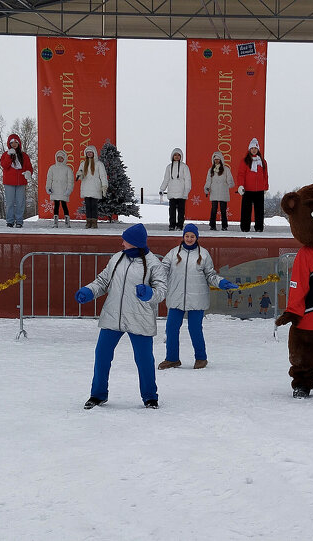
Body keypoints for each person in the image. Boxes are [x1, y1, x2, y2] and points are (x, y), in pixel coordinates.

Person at [74, 224, 168, 409]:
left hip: (139, 318)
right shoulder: (117, 258)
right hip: (113, 316)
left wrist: (149, 293)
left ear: (134, 243)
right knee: (102, 355)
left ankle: (150, 397)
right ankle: (98, 394)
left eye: (125, 239)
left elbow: (162, 291)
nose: (122, 242)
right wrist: (89, 291)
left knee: (144, 359)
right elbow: (103, 281)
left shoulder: (153, 264)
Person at [158, 224, 238, 370]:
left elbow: (210, 275)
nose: (189, 239)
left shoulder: (204, 255)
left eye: (192, 236)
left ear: (196, 238)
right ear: (183, 237)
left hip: (197, 300)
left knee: (195, 329)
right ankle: (172, 358)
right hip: (176, 298)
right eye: (187, 236)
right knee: (171, 328)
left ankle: (201, 358)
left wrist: (221, 282)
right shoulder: (173, 253)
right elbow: (161, 271)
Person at [0, 134, 33, 228]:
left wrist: (28, 173)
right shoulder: (5, 155)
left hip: (21, 182)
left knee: (20, 202)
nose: (14, 144)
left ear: (19, 143)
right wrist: (9, 156)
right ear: (9, 144)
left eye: (16, 142)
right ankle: (10, 221)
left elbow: (29, 167)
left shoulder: (24, 156)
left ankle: (19, 221)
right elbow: (5, 165)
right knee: (10, 202)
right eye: (12, 142)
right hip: (9, 182)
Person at [237, 138, 268, 233]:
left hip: (259, 190)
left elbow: (265, 175)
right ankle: (245, 227)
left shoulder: (262, 161)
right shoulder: (245, 161)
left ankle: (259, 227)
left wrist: (265, 187)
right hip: (248, 190)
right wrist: (240, 185)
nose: (254, 150)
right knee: (246, 210)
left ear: (258, 149)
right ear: (249, 149)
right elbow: (241, 174)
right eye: (252, 148)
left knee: (259, 211)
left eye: (255, 148)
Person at [77, 145, 108, 229]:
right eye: (88, 152)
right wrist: (79, 175)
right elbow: (79, 176)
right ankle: (88, 222)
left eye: (91, 152)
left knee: (94, 206)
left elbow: (103, 176)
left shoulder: (99, 164)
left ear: (94, 153)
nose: (89, 154)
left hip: (95, 187)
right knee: (88, 206)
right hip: (86, 187)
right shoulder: (83, 164)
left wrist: (104, 185)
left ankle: (94, 222)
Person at [160, 148, 191, 231]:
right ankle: (172, 225)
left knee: (181, 211)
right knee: (172, 211)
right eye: (175, 155)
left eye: (178, 155)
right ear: (172, 156)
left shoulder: (184, 166)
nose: (177, 157)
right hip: (172, 192)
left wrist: (186, 191)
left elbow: (187, 180)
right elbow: (166, 179)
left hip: (182, 192)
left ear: (181, 156)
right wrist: (162, 189)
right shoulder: (169, 167)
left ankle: (180, 225)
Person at [203, 151, 234, 231]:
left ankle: (224, 226)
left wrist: (230, 184)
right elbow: (208, 180)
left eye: (218, 159)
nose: (217, 161)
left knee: (223, 210)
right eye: (215, 159)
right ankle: (212, 225)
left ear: (221, 160)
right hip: (214, 192)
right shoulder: (211, 170)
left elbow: (230, 179)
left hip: (223, 192)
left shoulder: (226, 169)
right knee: (213, 210)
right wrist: (206, 188)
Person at [44, 149, 75, 228]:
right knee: (56, 205)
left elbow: (70, 180)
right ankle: (55, 222)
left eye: (61, 158)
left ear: (64, 159)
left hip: (64, 190)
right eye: (58, 157)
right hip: (55, 190)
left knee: (64, 205)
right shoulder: (52, 168)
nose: (60, 159)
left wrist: (69, 189)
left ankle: (67, 221)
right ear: (56, 158)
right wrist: (48, 187)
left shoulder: (68, 169)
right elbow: (49, 179)